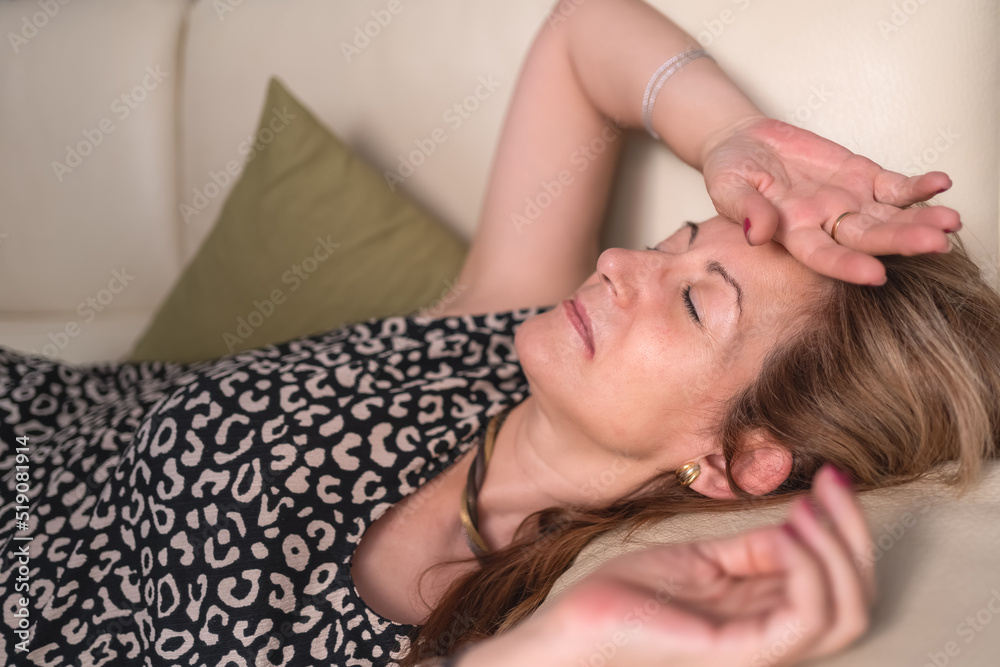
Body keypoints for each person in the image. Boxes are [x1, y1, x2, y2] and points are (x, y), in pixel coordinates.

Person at [1, 2, 996, 667]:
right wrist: (728, 141)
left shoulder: (518, 618)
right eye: (676, 238)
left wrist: (564, 642)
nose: (621, 262)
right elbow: (582, 32)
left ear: (737, 460)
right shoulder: (501, 325)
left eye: (697, 300)